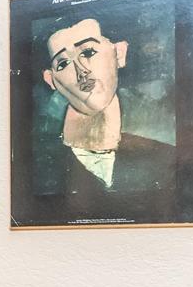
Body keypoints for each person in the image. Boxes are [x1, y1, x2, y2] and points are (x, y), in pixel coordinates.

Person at [41, 17, 173, 195]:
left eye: (88, 52)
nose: (82, 71)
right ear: (51, 79)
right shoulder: (42, 164)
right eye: (63, 63)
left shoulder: (162, 155)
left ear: (119, 53)